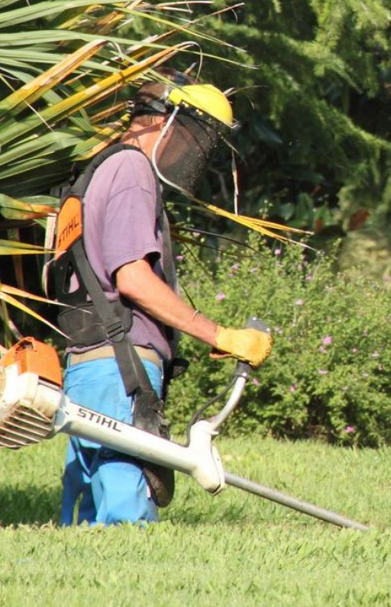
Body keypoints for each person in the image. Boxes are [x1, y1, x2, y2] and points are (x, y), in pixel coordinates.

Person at [53, 78, 271, 526]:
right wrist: (220, 335)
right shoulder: (132, 170)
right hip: (120, 365)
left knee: (87, 518)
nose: (195, 154)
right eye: (197, 138)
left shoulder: (93, 172)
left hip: (88, 365)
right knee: (125, 518)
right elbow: (133, 279)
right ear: (167, 123)